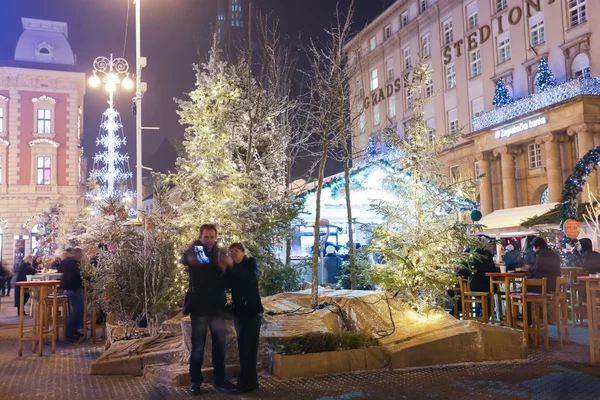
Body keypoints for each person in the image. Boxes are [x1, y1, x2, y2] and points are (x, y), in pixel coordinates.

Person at [181, 224, 233, 395]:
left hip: (217, 308)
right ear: (200, 237)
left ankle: (220, 379)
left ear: (216, 237)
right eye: (206, 237)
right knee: (198, 348)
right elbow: (194, 263)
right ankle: (195, 382)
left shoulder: (220, 253)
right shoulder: (195, 251)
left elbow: (227, 277)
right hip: (200, 308)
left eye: (212, 237)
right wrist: (221, 265)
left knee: (220, 346)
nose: (209, 240)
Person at [225, 243, 263, 394]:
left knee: (250, 347)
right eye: (231, 252)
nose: (233, 254)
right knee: (242, 346)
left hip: (252, 311)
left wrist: (233, 268)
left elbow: (250, 277)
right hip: (239, 312)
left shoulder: (250, 263)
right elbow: (226, 284)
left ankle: (247, 382)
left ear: (243, 253)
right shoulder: (232, 268)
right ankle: (248, 382)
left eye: (236, 251)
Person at [60, 248, 84, 341]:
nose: (81, 256)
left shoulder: (70, 262)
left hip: (73, 289)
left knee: (78, 310)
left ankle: (73, 330)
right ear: (76, 253)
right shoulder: (70, 263)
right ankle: (69, 332)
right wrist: (77, 288)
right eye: (80, 254)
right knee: (77, 311)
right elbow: (72, 277)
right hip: (73, 289)